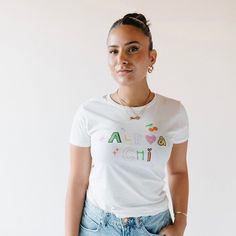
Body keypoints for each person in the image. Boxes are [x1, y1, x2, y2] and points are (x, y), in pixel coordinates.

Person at [65, 13, 189, 236]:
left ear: (152, 58)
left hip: (154, 227)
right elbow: (77, 180)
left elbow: (178, 171)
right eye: (114, 51)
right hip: (98, 226)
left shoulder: (174, 112)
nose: (121, 58)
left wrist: (181, 222)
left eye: (132, 49)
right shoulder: (89, 112)